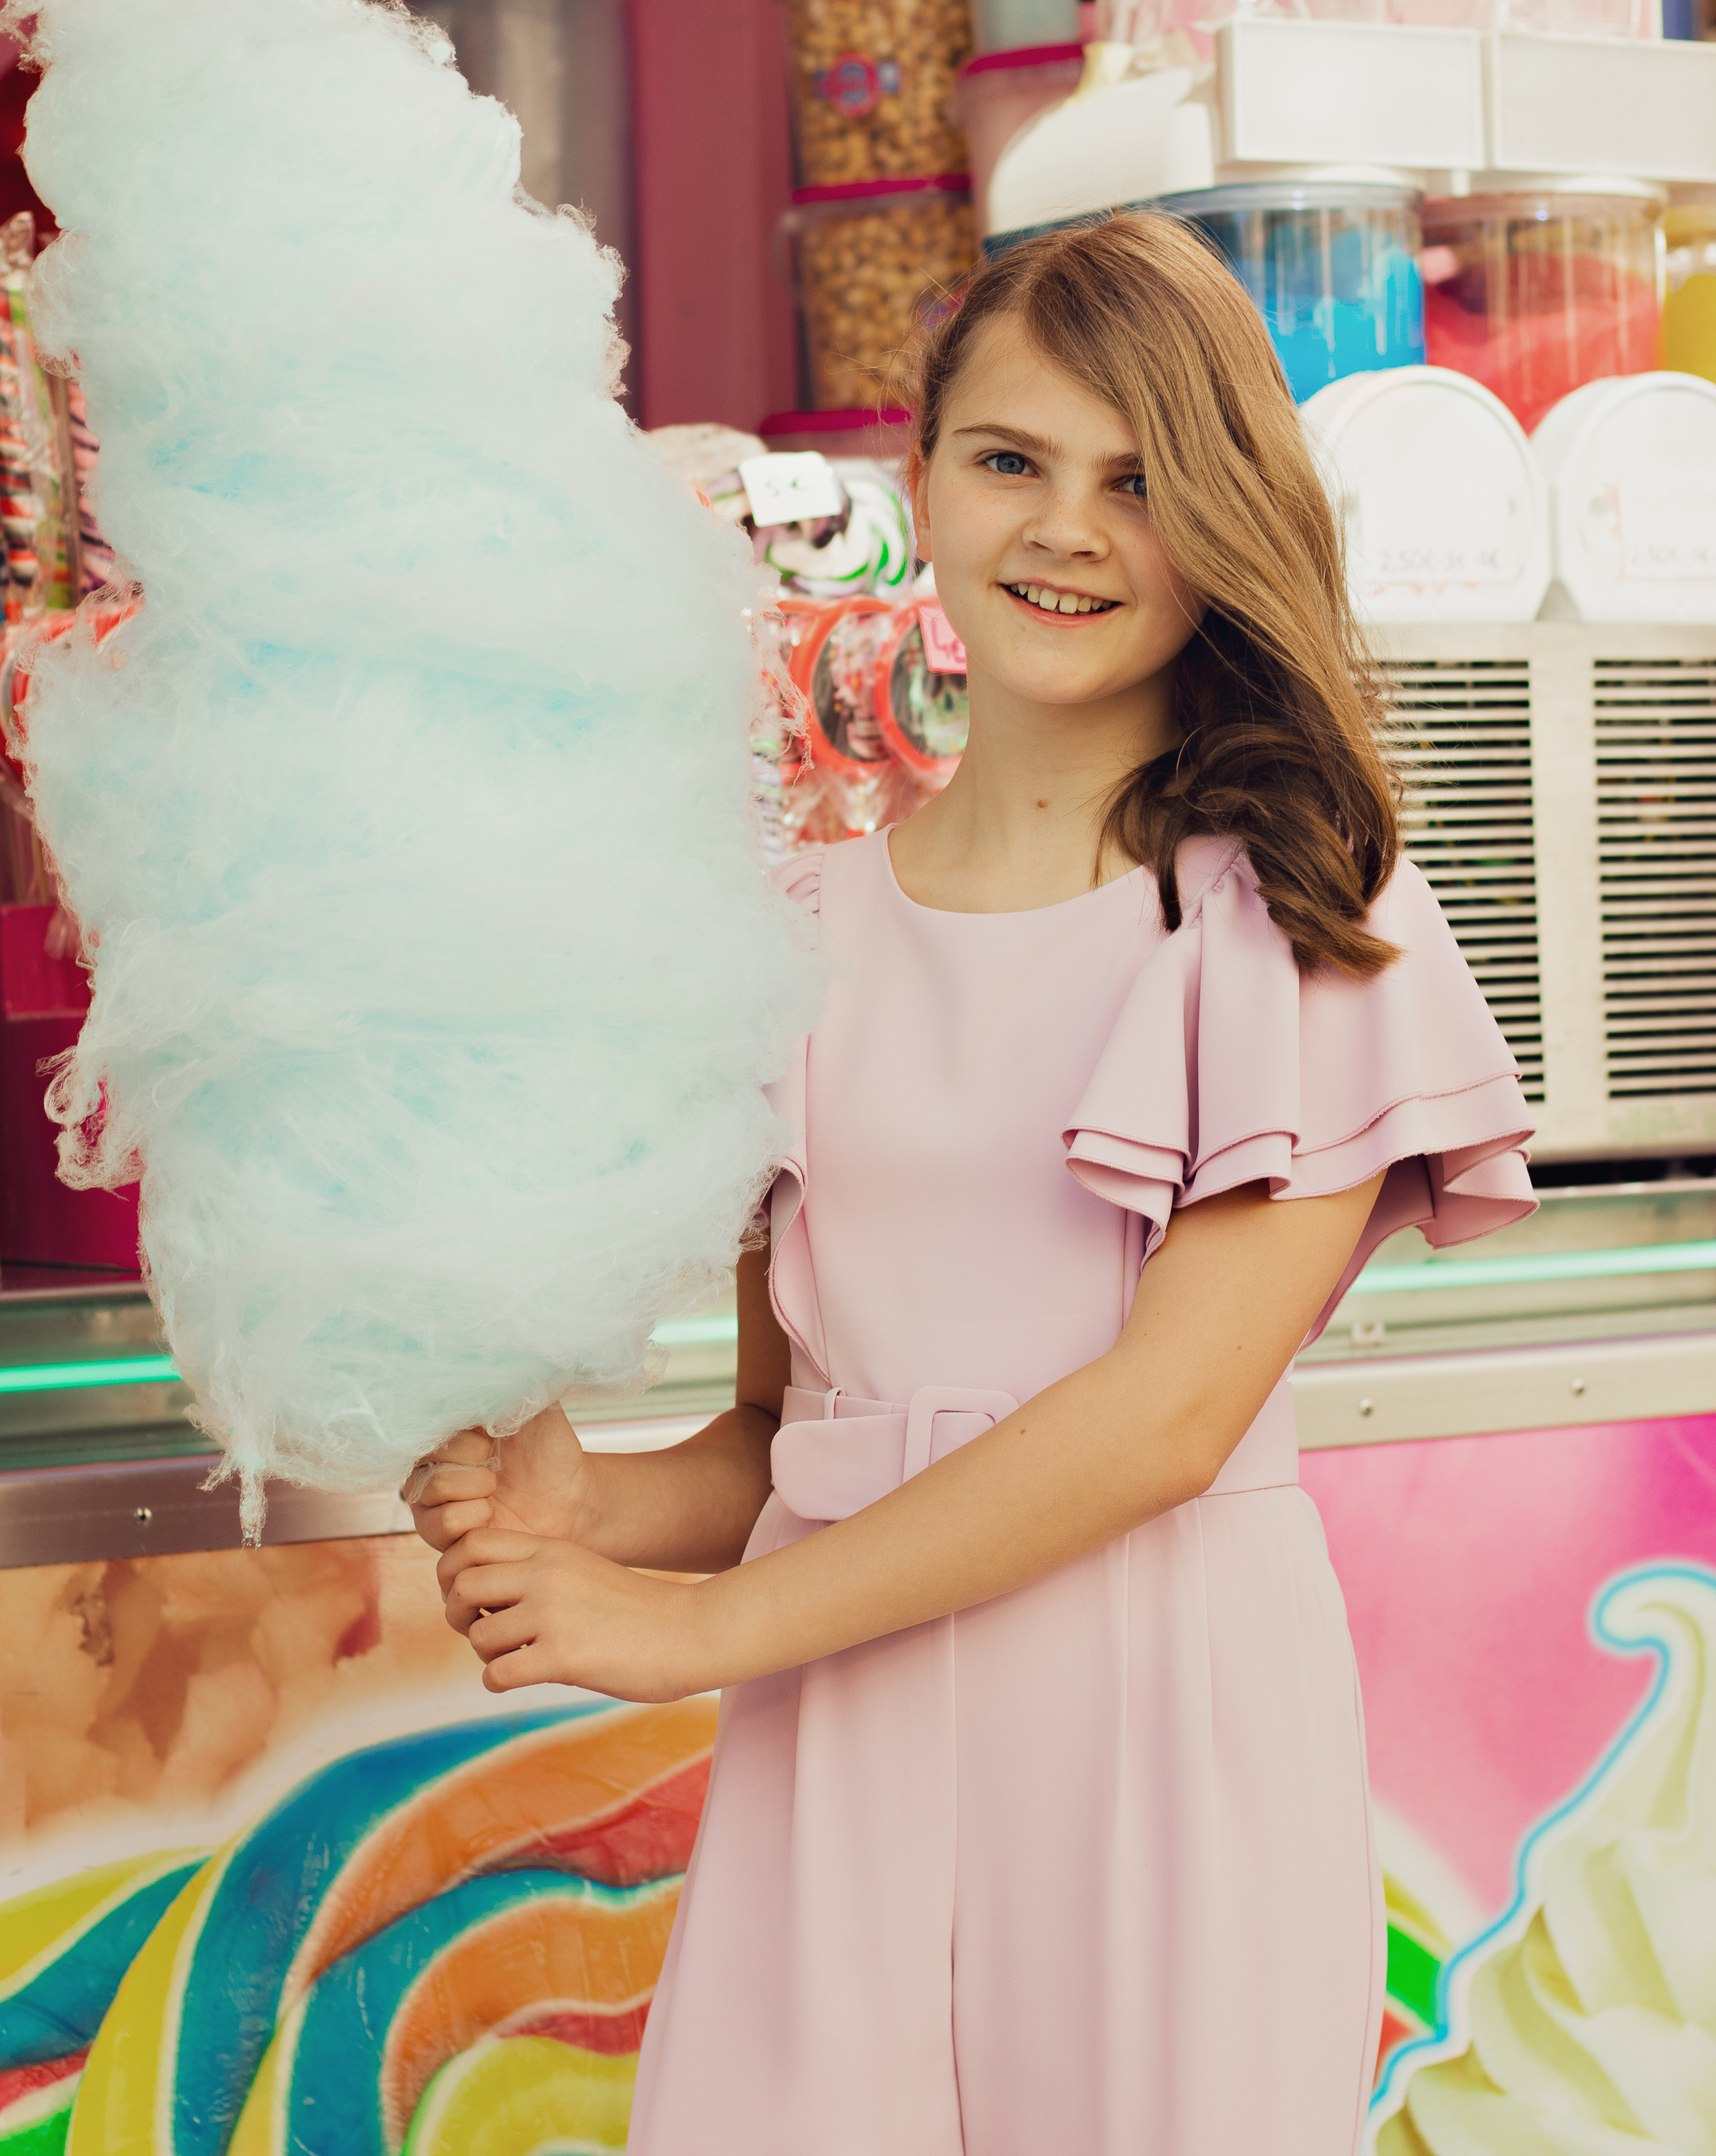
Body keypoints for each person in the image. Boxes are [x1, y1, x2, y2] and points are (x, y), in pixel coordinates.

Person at [405, 213, 1535, 2154]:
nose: (1066, 531)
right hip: (836, 1737)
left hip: (1154, 1739)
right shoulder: (796, 933)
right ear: (918, 475)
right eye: (1013, 460)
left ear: (1226, 522)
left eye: (1140, 482)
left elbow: (1164, 1422)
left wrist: (688, 1633)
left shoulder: (1296, 918)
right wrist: (590, 1504)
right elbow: (790, 1433)